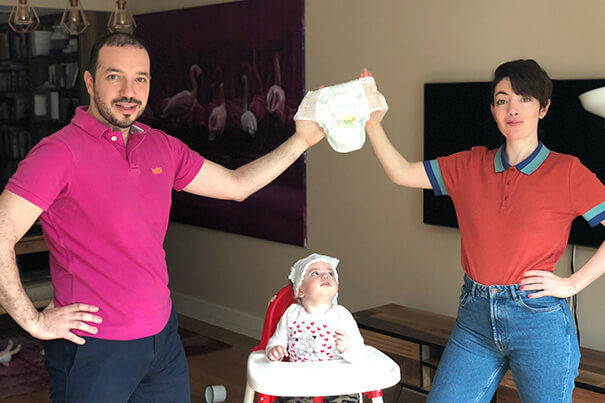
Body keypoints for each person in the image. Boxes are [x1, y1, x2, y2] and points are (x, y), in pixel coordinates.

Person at [0, 33, 326, 403]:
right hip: (94, 345)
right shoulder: (57, 153)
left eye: (140, 79)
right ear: (89, 82)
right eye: (114, 76)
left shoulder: (161, 146)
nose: (129, 91)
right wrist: (33, 321)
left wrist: (301, 141)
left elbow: (236, 185)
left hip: (162, 339)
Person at [363, 60, 605, 402]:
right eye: (503, 100)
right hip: (475, 318)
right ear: (493, 111)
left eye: (525, 98)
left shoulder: (567, 171)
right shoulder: (468, 164)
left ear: (544, 108)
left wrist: (573, 284)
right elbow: (401, 172)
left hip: (538, 321)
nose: (513, 109)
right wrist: (372, 124)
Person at [266, 253, 364, 403]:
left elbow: (359, 354)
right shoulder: (291, 314)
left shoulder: (342, 316)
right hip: (300, 384)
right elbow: (276, 340)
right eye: (315, 273)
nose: (325, 276)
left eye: (330, 273)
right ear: (300, 290)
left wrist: (346, 348)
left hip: (337, 383)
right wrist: (274, 350)